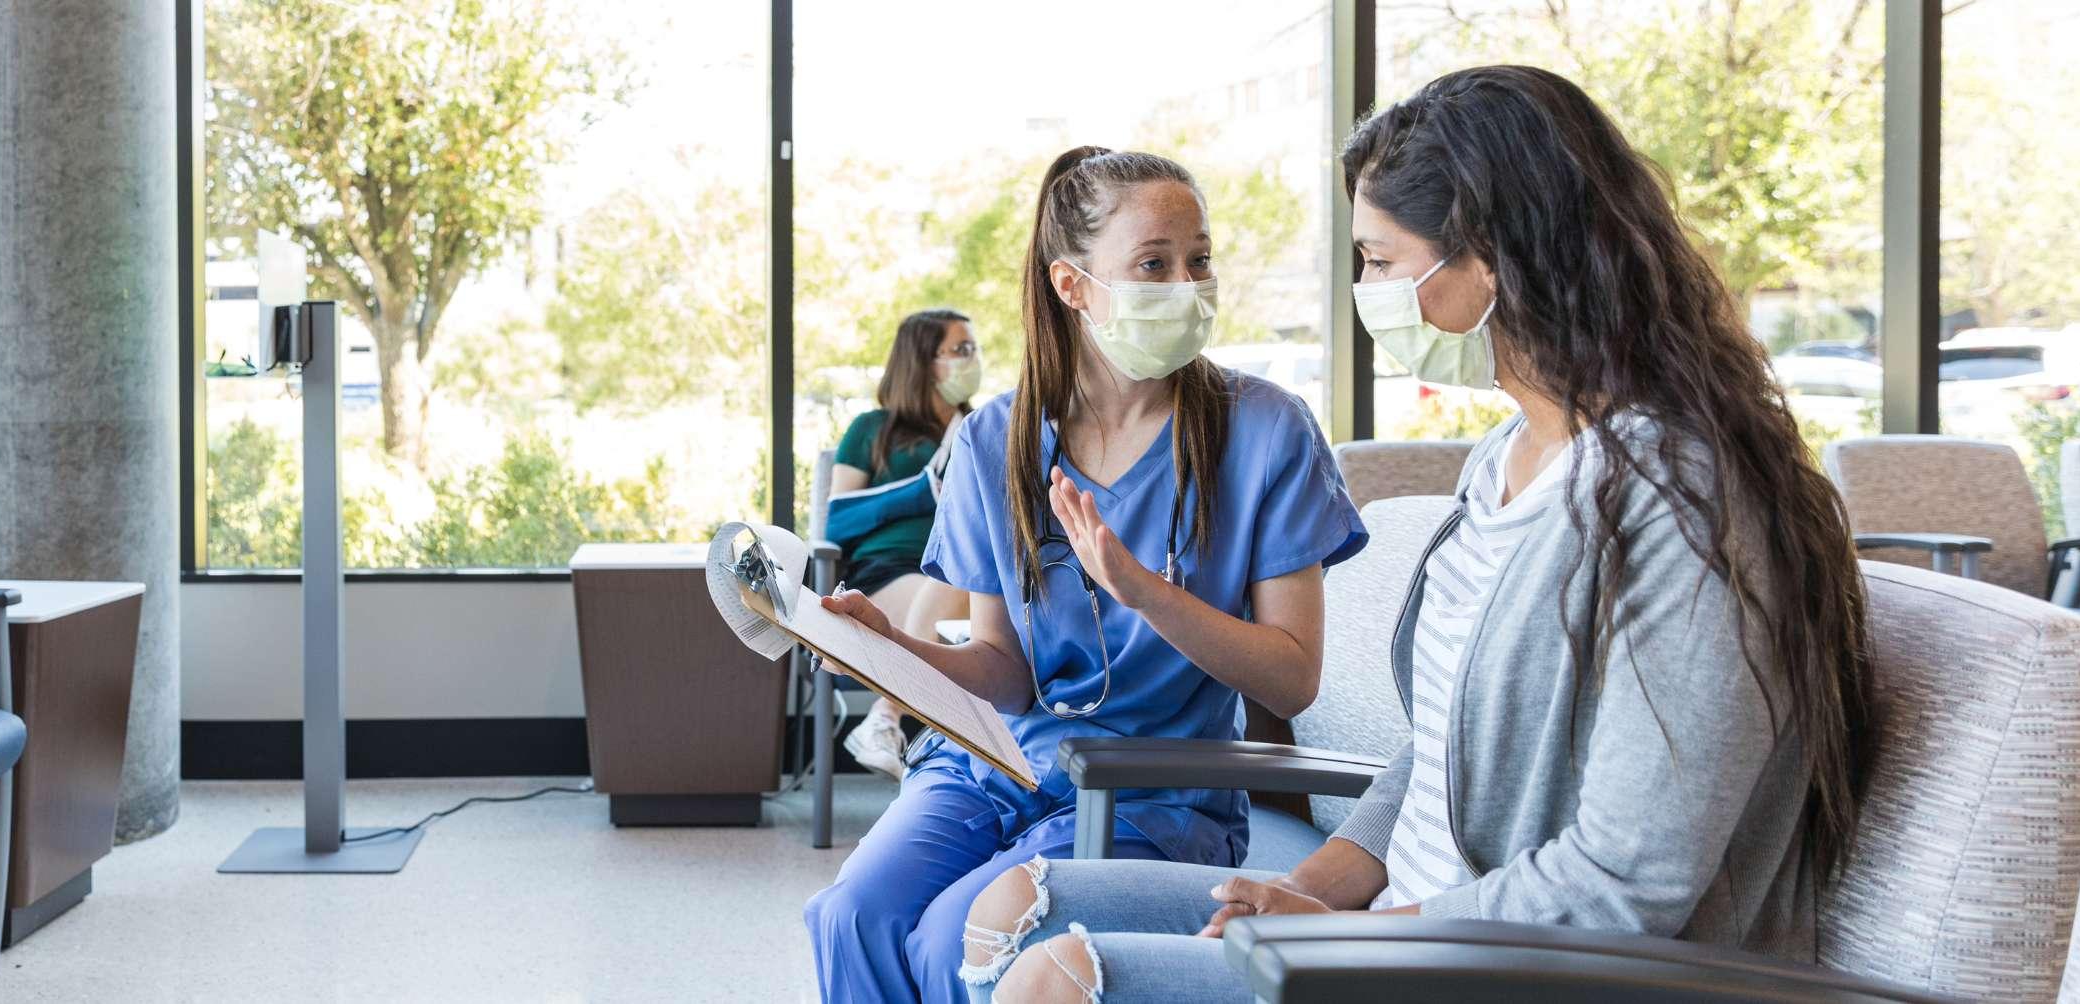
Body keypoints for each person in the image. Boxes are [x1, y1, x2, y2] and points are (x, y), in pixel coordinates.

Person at [958, 65, 1875, 1004]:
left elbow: (1628, 882)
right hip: (1414, 921)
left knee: (1057, 979)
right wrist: (1308, 890)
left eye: (1383, 261)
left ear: (1496, 257)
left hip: (1533, 967)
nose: (1370, 294)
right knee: (1013, 907)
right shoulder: (1506, 460)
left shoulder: (1683, 504)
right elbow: (1443, 748)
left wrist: (1356, 938)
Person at [802, 146, 1367, 1003]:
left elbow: (1291, 680)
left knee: (950, 941)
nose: (1187, 284)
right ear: (1073, 286)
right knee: (851, 916)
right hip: (998, 770)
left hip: (1155, 792)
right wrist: (893, 650)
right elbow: (1003, 670)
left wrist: (1146, 591)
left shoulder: (1266, 430)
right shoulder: (996, 438)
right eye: (1154, 264)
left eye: (1200, 260)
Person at [831, 308, 984, 779]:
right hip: (886, 573)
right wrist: (926, 486)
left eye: (974, 349)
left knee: (962, 576)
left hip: (967, 573)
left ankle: (893, 722)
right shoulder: (872, 429)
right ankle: (892, 717)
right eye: (960, 350)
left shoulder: (983, 428)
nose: (972, 360)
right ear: (922, 360)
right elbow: (837, 519)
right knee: (944, 584)